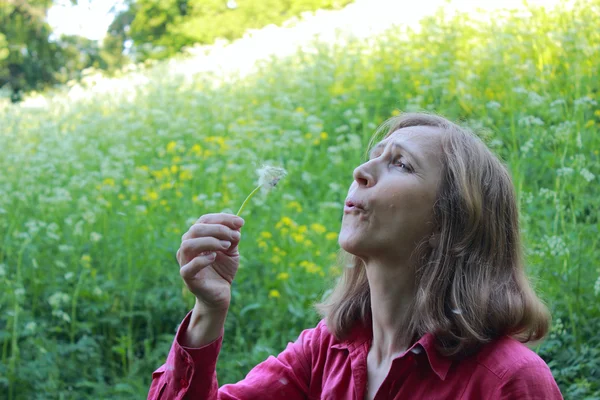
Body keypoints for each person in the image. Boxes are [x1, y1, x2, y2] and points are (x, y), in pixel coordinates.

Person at [147, 112, 563, 399]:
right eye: (373, 156)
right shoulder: (325, 352)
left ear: (449, 222)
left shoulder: (508, 381)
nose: (360, 172)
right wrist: (208, 309)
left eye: (401, 164)